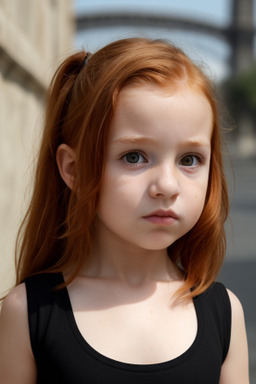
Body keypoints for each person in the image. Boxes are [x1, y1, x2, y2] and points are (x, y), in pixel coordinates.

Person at [0, 38, 249, 383]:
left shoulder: (224, 313)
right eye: (134, 156)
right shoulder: (28, 312)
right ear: (73, 168)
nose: (168, 185)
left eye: (189, 160)